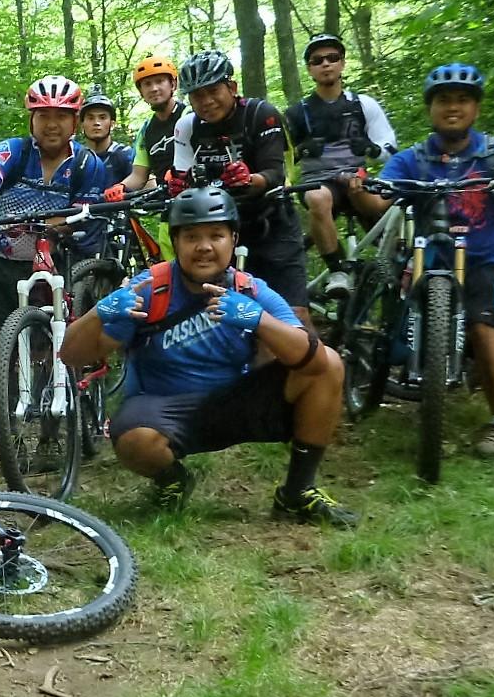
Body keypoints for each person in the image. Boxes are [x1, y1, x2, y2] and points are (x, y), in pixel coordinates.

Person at [61, 186, 357, 526]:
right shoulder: (149, 289)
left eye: (216, 235)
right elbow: (72, 354)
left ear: (233, 239)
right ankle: (173, 480)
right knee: (133, 440)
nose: (204, 247)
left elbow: (315, 361)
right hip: (165, 406)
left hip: (238, 401)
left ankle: (297, 492)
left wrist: (258, 320)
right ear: (176, 242)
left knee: (330, 363)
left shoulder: (250, 289)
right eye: (191, 237)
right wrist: (99, 312)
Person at [349, 63, 494, 458]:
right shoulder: (413, 158)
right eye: (443, 100)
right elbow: (378, 200)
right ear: (430, 108)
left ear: (476, 109)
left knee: (484, 327)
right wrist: (358, 188)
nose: (453, 107)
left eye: (463, 100)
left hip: (490, 261)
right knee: (400, 310)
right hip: (430, 258)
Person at [0, 76, 109, 364]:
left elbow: (81, 214)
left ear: (74, 121)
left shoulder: (88, 164)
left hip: (50, 260)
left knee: (45, 341)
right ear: (32, 119)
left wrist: (49, 228)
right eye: (43, 115)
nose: (52, 124)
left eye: (61, 116)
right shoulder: (14, 151)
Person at [170, 50, 309, 321]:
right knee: (218, 314)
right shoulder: (187, 126)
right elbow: (182, 178)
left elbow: (274, 174)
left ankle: (315, 362)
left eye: (213, 91)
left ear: (231, 87)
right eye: (197, 95)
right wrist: (177, 186)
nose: (206, 101)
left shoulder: (261, 114)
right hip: (220, 232)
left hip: (271, 222)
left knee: (295, 315)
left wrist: (249, 179)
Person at [285, 34, 399, 297]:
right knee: (317, 197)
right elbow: (281, 161)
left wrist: (371, 148)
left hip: (358, 180)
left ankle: (400, 264)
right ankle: (337, 270)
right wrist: (301, 150)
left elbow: (390, 149)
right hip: (319, 181)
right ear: (310, 68)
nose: (326, 64)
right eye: (317, 60)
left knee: (399, 202)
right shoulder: (297, 112)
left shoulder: (363, 104)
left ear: (343, 64)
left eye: (332, 58)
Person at [123, 56, 185, 194]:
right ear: (141, 92)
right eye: (147, 84)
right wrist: (120, 187)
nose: (154, 88)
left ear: (173, 85)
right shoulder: (146, 130)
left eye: (160, 81)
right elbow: (139, 176)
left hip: (198, 196)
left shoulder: (188, 115)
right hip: (166, 202)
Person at [79, 89, 136, 187]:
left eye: (102, 117)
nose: (96, 123)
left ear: (112, 124)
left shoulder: (125, 155)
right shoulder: (76, 158)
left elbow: (148, 185)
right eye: (90, 118)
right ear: (82, 125)